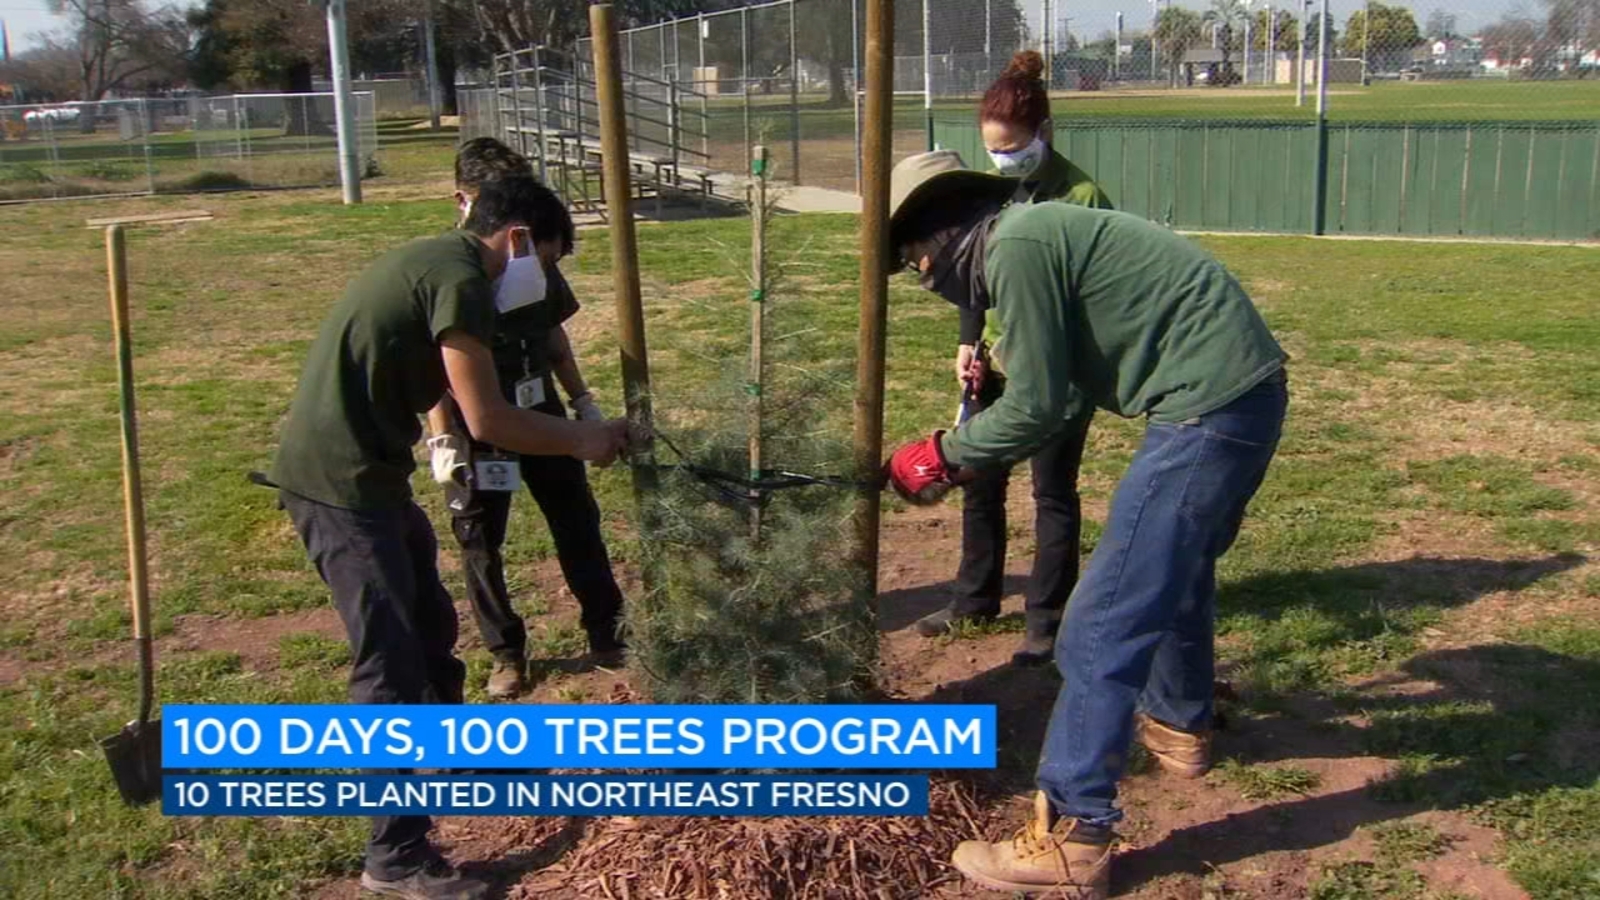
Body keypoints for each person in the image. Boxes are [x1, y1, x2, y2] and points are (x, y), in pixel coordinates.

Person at [882, 150, 1288, 898]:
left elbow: (1040, 407)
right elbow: (1061, 398)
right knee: (1174, 573)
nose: (920, 277)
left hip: (1208, 409)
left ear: (939, 235)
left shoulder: (1018, 248)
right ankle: (1180, 724)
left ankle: (1073, 836)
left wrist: (941, 454)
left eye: (911, 260)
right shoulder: (1032, 237)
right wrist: (977, 443)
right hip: (1236, 396)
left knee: (1102, 621)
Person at [266, 174, 628, 900]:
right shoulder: (462, 278)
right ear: (518, 239)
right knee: (390, 666)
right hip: (339, 487)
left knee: (431, 625)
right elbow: (489, 418)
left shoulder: (437, 261)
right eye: (547, 260)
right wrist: (584, 437)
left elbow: (436, 373)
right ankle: (394, 857)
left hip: (373, 476)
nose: (545, 278)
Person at [916, 50, 1115, 668]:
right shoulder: (989, 193)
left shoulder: (1083, 196)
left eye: (1012, 147)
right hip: (997, 359)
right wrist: (968, 338)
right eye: (993, 150)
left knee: (1052, 490)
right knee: (979, 475)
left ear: (1044, 132)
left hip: (1059, 367)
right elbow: (972, 271)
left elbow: (1089, 299)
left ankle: (1046, 621)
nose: (1003, 160)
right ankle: (974, 599)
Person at [427, 138, 626, 700]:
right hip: (476, 421)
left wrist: (582, 400)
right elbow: (430, 360)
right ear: (464, 200)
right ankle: (506, 652)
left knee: (576, 517)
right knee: (480, 538)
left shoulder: (531, 254)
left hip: (538, 410)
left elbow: (551, 333)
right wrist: (442, 434)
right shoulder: (451, 270)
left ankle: (608, 632)